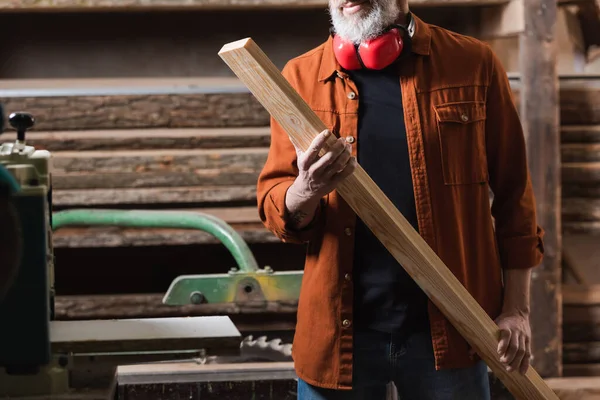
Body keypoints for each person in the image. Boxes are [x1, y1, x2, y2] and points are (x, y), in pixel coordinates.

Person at [256, 0, 545, 398]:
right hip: (340, 334)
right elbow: (277, 208)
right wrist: (305, 189)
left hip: (453, 328)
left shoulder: (473, 64)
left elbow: (515, 198)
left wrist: (517, 310)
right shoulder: (299, 78)